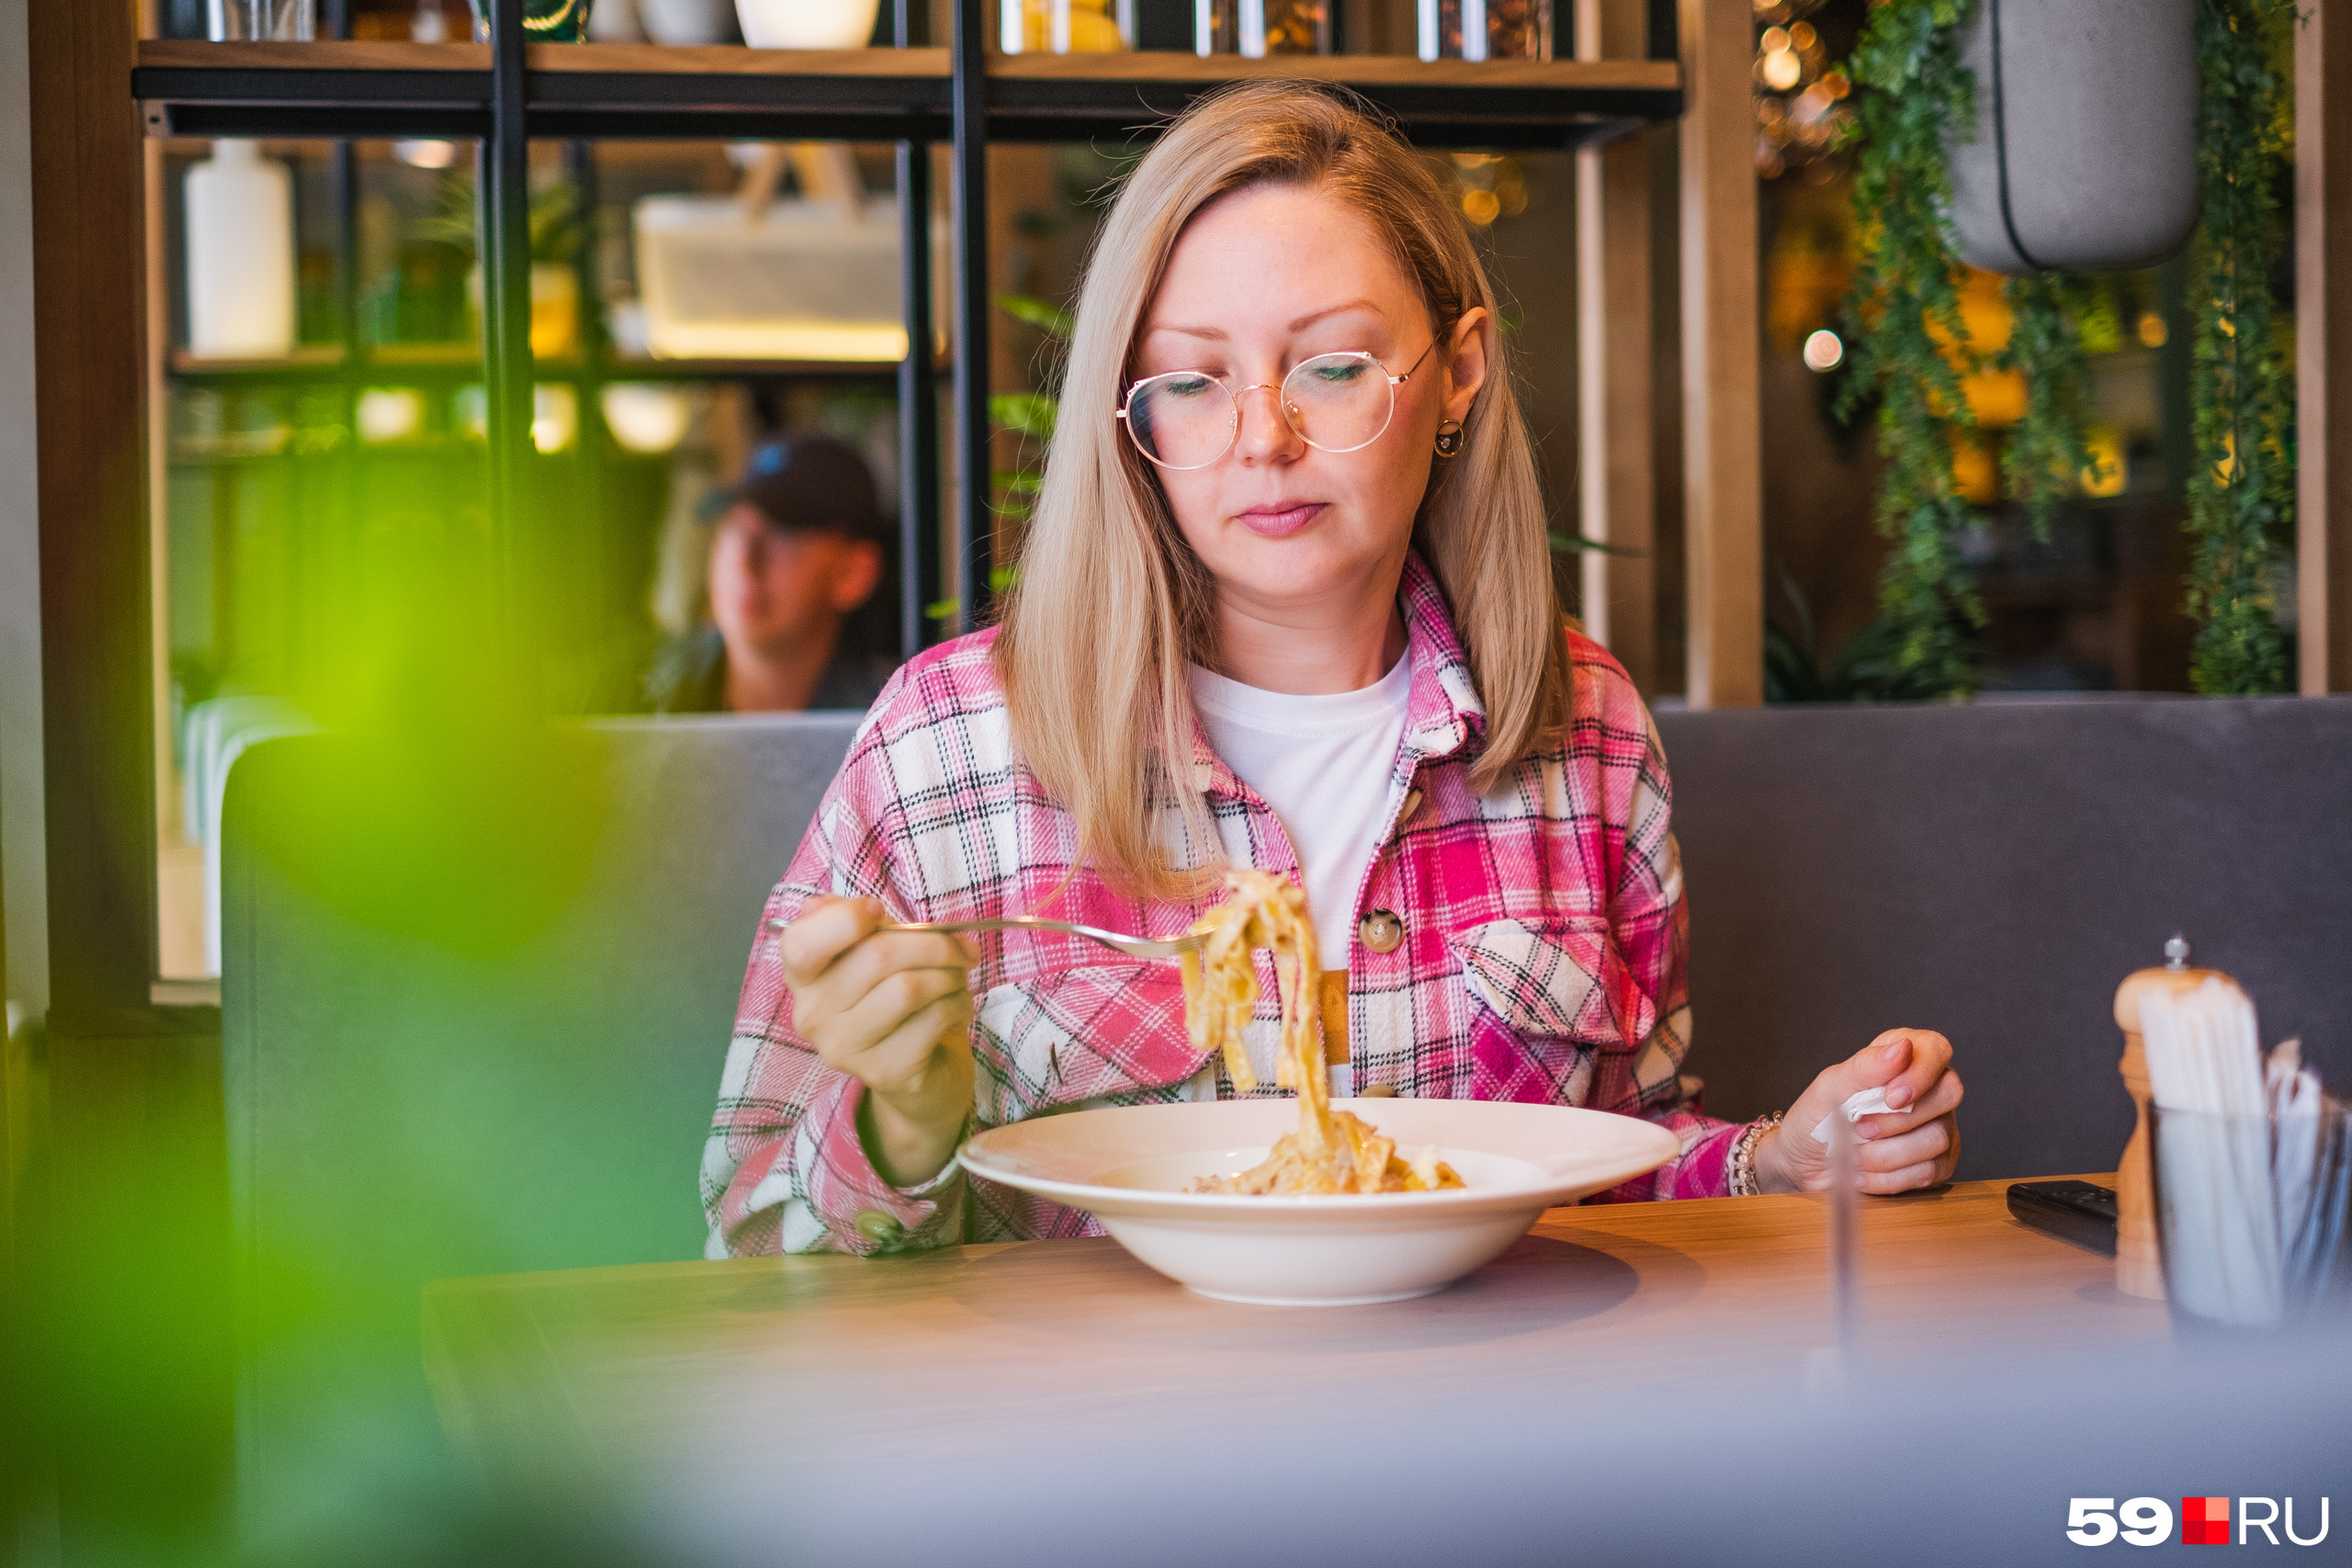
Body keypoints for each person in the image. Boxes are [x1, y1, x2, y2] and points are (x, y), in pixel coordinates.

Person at [702, 85, 1962, 1258]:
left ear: (1457, 373)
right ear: (1132, 414)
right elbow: (748, 1246)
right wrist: (900, 1126)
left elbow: (1609, 1166)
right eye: (1194, 380)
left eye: (1334, 365)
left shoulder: (1586, 728)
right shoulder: (949, 744)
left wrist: (1775, 1164)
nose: (1265, 437)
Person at [647, 433, 899, 715]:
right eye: (735, 527)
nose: (745, 559)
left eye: (783, 532)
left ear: (854, 572)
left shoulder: (898, 719)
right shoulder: (635, 693)